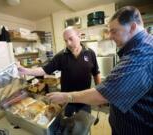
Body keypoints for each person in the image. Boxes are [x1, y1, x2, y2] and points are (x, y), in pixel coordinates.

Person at [46, 6, 153, 135]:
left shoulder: (141, 56)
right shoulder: (139, 47)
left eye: (114, 31)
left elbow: (103, 94)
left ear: (132, 27)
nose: (110, 37)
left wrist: (66, 96)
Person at [18, 26, 101, 117]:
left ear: (79, 36)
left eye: (70, 39)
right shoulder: (61, 56)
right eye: (65, 40)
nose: (68, 43)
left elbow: (96, 73)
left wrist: (100, 93)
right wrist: (26, 71)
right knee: (67, 125)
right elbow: (44, 70)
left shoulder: (90, 53)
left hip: (85, 99)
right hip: (67, 100)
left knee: (84, 126)